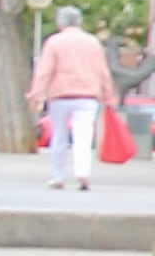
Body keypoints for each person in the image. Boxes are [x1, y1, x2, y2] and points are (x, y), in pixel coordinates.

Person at [28, 11, 119, 189]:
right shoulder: (93, 42)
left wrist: (36, 94)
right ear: (79, 21)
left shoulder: (54, 42)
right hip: (88, 96)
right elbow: (102, 71)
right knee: (83, 137)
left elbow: (45, 71)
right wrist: (108, 95)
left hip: (60, 95)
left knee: (59, 136)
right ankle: (82, 173)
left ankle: (58, 176)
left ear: (60, 23)